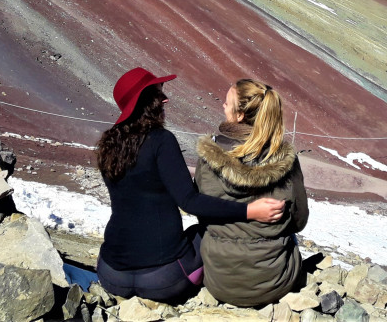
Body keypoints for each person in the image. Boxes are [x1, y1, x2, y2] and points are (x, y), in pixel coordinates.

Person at [95, 67, 285, 303]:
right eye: (158, 93)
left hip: (111, 274)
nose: (165, 99)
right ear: (145, 101)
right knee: (203, 233)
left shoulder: (108, 144)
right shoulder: (161, 141)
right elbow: (190, 201)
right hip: (163, 280)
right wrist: (250, 211)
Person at [194, 78, 308, 307]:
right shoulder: (285, 160)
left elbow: (202, 211)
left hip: (218, 282)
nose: (223, 106)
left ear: (239, 116)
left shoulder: (208, 156)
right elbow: (299, 220)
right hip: (275, 283)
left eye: (227, 103)